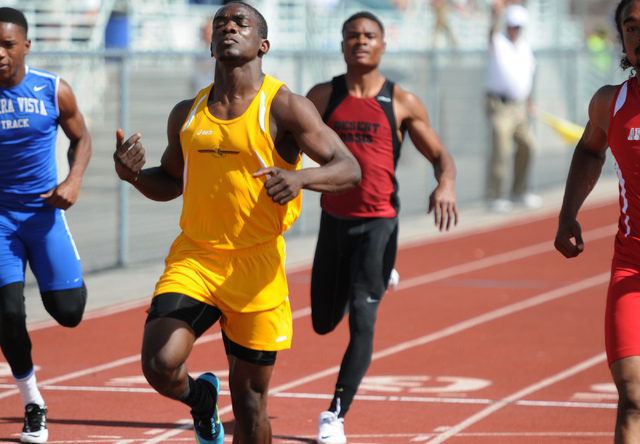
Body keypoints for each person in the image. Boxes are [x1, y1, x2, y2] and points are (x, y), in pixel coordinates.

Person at [113, 2, 361, 443]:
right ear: (210, 44)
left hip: (257, 268)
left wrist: (299, 177)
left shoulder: (285, 106)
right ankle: (202, 401)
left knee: (249, 405)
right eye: (220, 24)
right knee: (159, 363)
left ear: (262, 44)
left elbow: (349, 168)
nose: (229, 27)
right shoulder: (187, 113)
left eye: (240, 22)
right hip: (197, 258)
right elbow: (171, 181)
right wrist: (133, 176)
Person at [306, 11, 458, 444]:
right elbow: (282, 141)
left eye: (370, 35)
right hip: (333, 222)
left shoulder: (402, 102)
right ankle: (374, 275)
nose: (361, 41)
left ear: (383, 45)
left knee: (363, 316)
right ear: (341, 45)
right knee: (320, 321)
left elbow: (441, 157)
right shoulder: (322, 97)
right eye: (352, 35)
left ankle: (335, 414)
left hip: (378, 222)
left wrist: (444, 184)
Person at [0, 7, 92, 444]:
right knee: (9, 315)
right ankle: (33, 403)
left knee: (70, 313)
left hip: (43, 214)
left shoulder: (53, 90)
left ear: (26, 45)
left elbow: (82, 138)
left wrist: (72, 180)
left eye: (7, 45)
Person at [555, 1, 640, 442]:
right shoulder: (611, 103)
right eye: (632, 27)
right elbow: (590, 150)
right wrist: (569, 213)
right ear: (622, 38)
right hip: (632, 266)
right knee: (633, 398)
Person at [485, 1, 540, 213]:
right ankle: (496, 195)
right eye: (512, 25)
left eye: (518, 26)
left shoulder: (525, 47)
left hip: (519, 107)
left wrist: (530, 101)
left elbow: (527, 76)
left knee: (528, 146)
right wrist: (494, 16)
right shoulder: (498, 42)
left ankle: (519, 191)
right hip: (499, 105)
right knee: (502, 149)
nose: (515, 30)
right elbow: (490, 34)